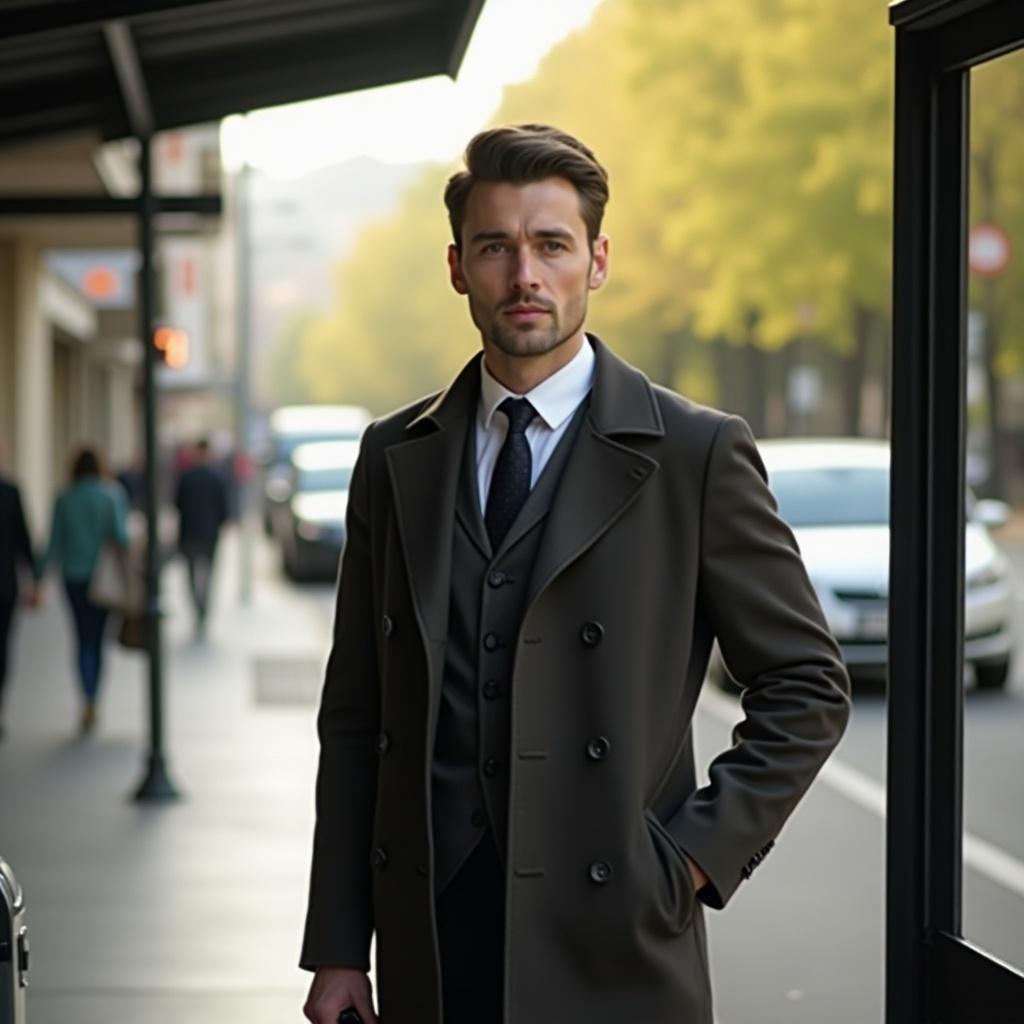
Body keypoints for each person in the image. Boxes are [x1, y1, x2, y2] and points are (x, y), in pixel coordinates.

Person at [300, 124, 851, 1024]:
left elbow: (807, 684)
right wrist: (336, 944)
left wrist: (690, 861)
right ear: (456, 266)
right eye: (496, 246)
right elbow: (356, 714)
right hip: (431, 933)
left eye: (551, 245)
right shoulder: (394, 455)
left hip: (614, 930)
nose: (525, 275)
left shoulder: (696, 453)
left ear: (596, 261)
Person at [35, 445, 130, 734]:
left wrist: (39, 580)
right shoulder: (112, 495)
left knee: (82, 638)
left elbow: (53, 543)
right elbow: (122, 537)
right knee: (98, 640)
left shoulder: (64, 499)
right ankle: (94, 696)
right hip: (104, 580)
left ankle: (86, 696)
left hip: (74, 577)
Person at [173, 437, 228, 638]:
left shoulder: (187, 477)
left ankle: (198, 607)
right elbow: (224, 509)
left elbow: (177, 504)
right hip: (209, 533)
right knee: (208, 576)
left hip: (190, 533)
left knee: (191, 575)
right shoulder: (216, 477)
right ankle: (202, 609)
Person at [0, 450, 38, 739]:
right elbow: (24, 542)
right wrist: (35, 580)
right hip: (5, 586)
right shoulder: (10, 492)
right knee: (2, 649)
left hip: (6, 587)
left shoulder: (12, 492)